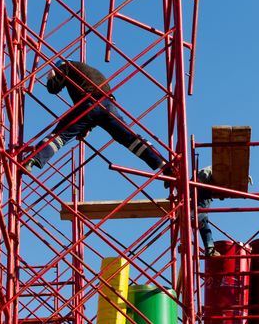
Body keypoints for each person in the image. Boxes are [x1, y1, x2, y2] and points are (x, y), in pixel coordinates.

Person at [23, 60, 170, 181]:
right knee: (131, 139)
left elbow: (54, 88)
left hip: (88, 104)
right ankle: (164, 165)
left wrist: (51, 76)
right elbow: (97, 108)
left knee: (60, 135)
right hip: (108, 106)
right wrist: (87, 127)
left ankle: (33, 159)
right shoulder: (92, 72)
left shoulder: (65, 66)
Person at [192, 166, 220, 257]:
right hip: (202, 185)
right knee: (202, 211)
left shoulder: (216, 170)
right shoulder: (225, 172)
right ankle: (193, 218)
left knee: (203, 218)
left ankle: (209, 247)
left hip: (194, 185)